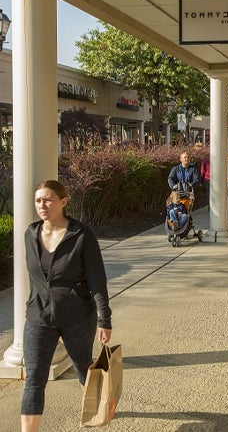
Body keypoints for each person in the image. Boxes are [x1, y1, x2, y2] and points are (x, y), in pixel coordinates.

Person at [21, 180, 112, 432]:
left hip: (77, 316)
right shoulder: (30, 233)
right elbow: (36, 277)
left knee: (83, 368)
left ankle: (96, 410)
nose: (42, 205)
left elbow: (97, 278)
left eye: (48, 199)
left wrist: (105, 319)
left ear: (63, 201)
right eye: (38, 200)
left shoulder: (81, 235)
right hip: (38, 317)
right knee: (34, 380)